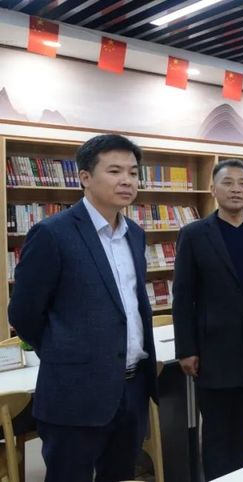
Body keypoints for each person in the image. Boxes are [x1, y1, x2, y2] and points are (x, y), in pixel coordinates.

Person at [9, 134, 158, 482]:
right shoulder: (52, 233)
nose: (127, 180)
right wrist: (66, 353)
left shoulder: (135, 234)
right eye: (115, 171)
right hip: (74, 391)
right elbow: (24, 314)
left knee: (120, 475)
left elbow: (131, 305)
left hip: (131, 388)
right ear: (85, 177)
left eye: (133, 172)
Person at [172, 159, 243, 480]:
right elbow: (182, 297)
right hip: (213, 352)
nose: (236, 189)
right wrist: (186, 348)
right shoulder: (194, 235)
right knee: (217, 431)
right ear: (213, 189)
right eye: (228, 182)